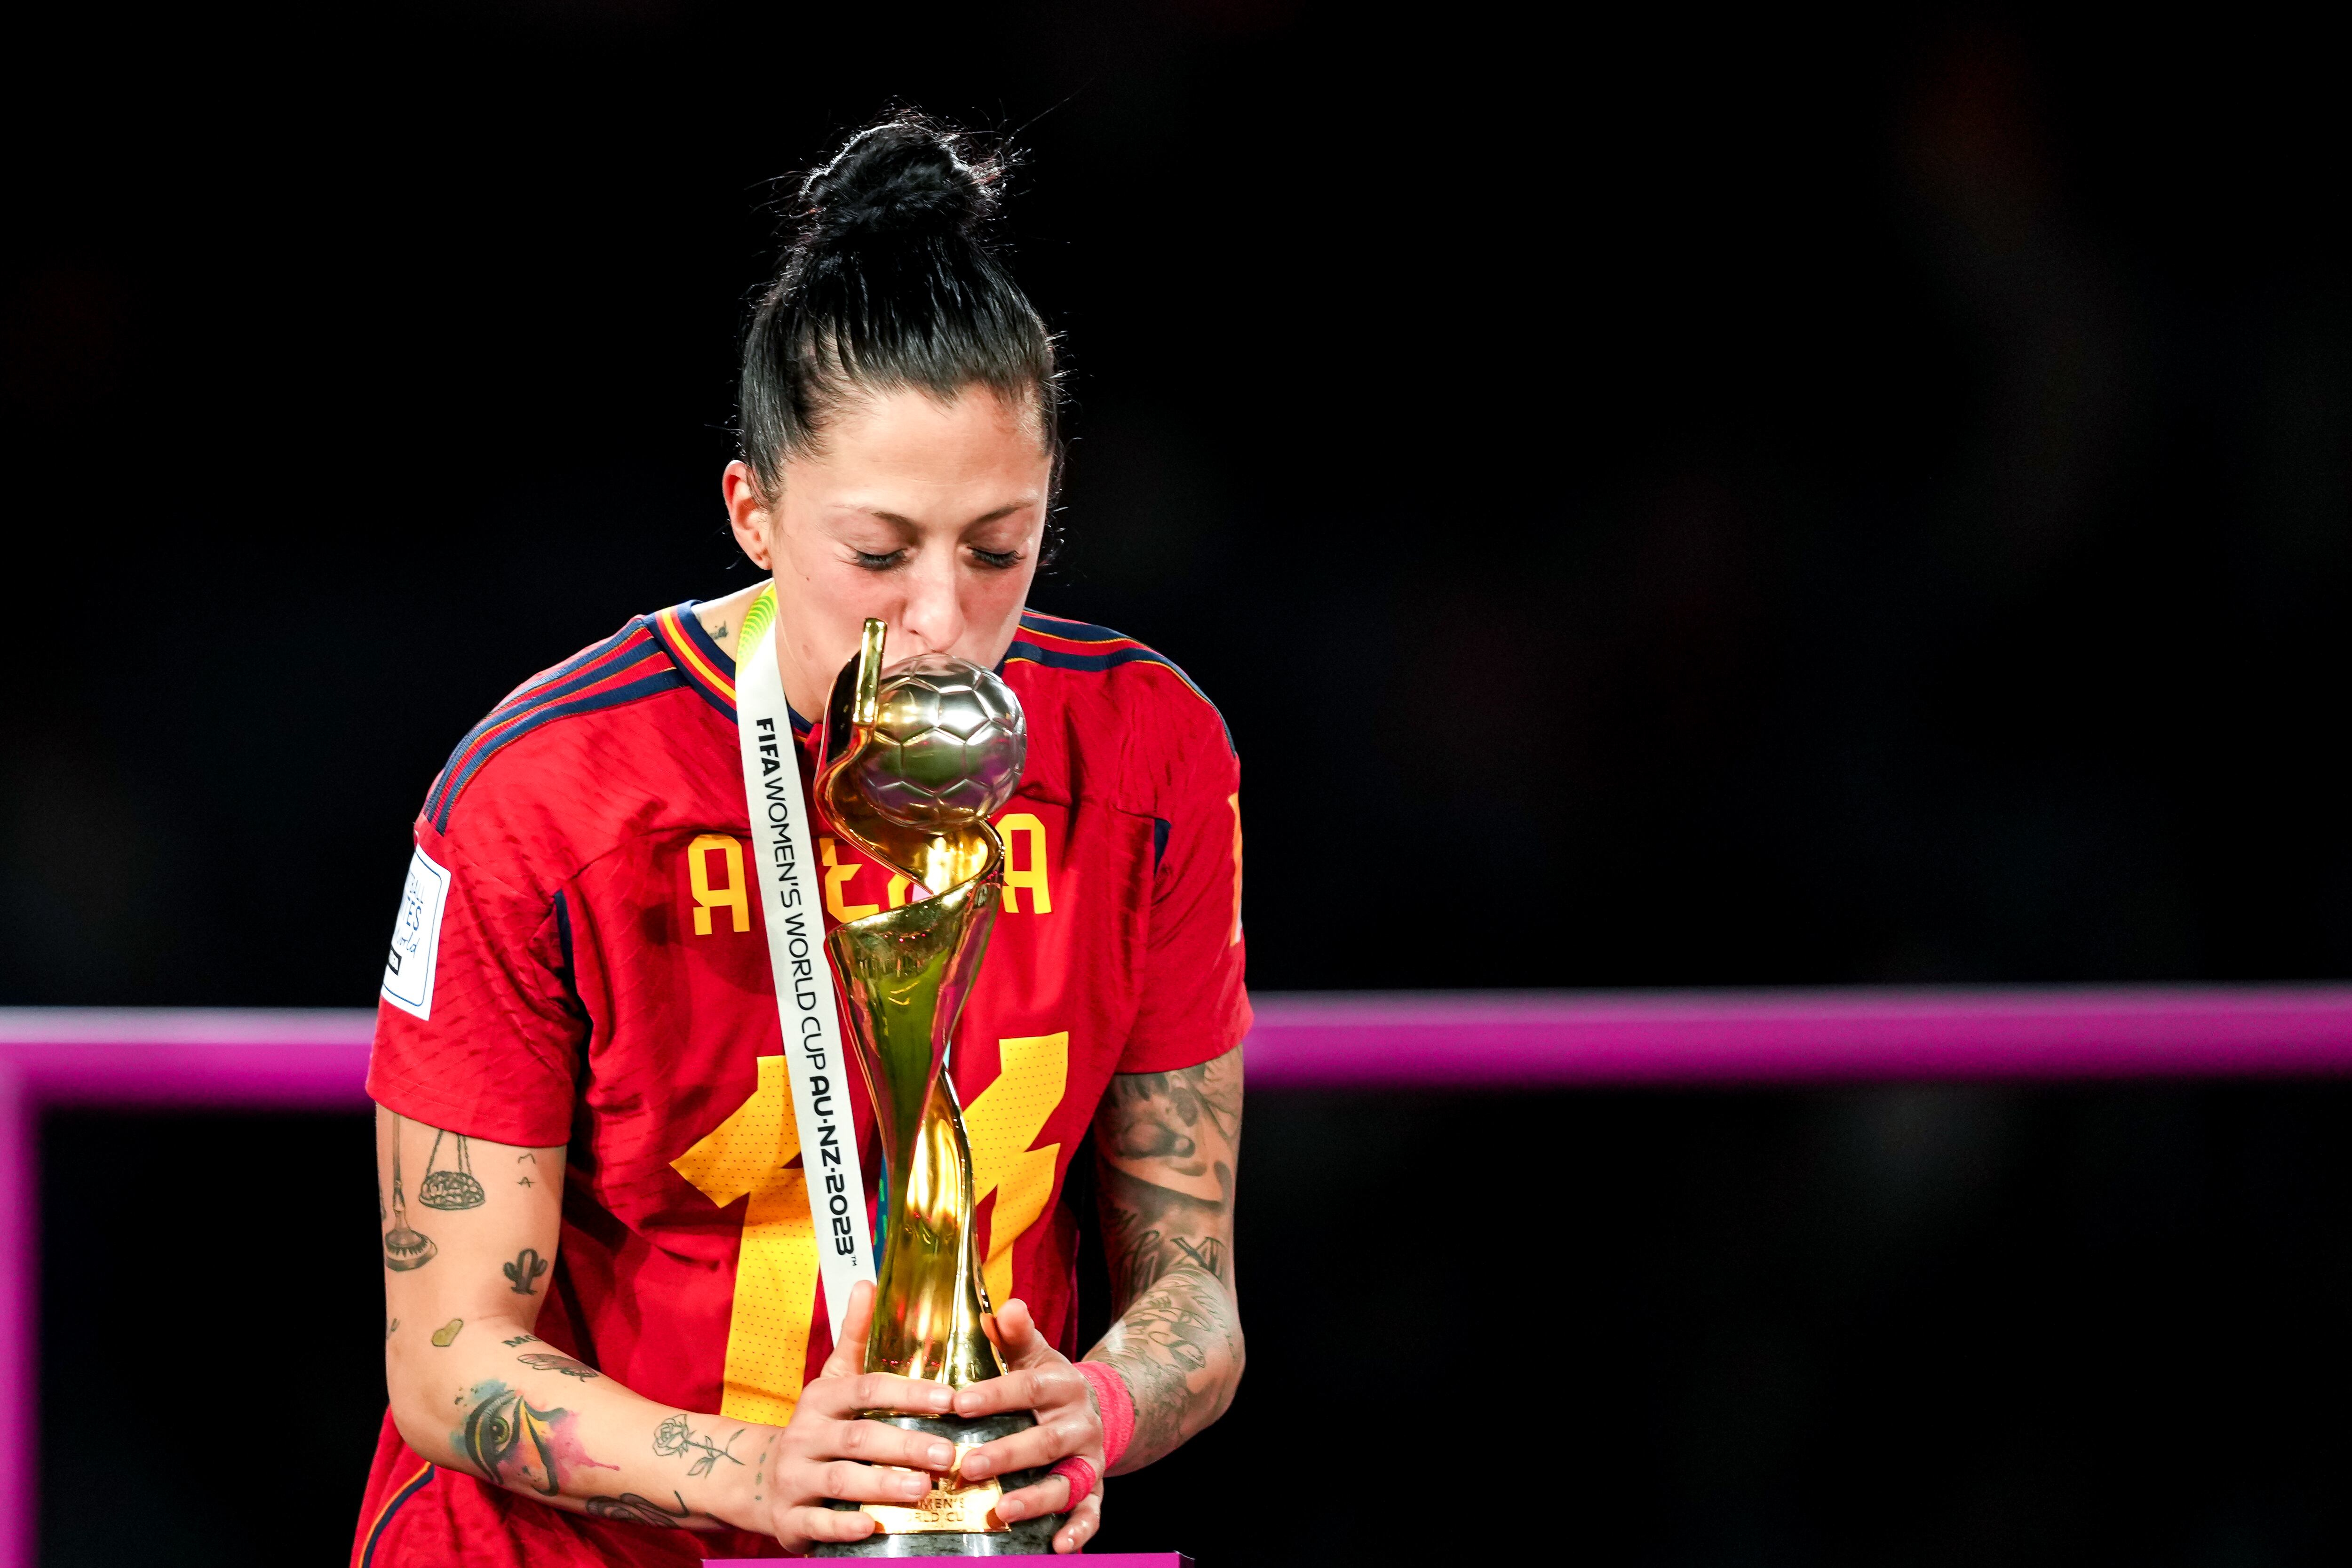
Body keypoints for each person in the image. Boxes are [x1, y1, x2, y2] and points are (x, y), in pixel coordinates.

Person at [351, 115, 1248, 1565]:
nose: (945, 620)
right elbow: (448, 1353)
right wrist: (765, 1476)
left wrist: (1105, 1404)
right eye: (879, 556)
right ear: (754, 514)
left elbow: (1193, 1291)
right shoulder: (548, 793)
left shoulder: (1154, 758)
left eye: (1001, 547)